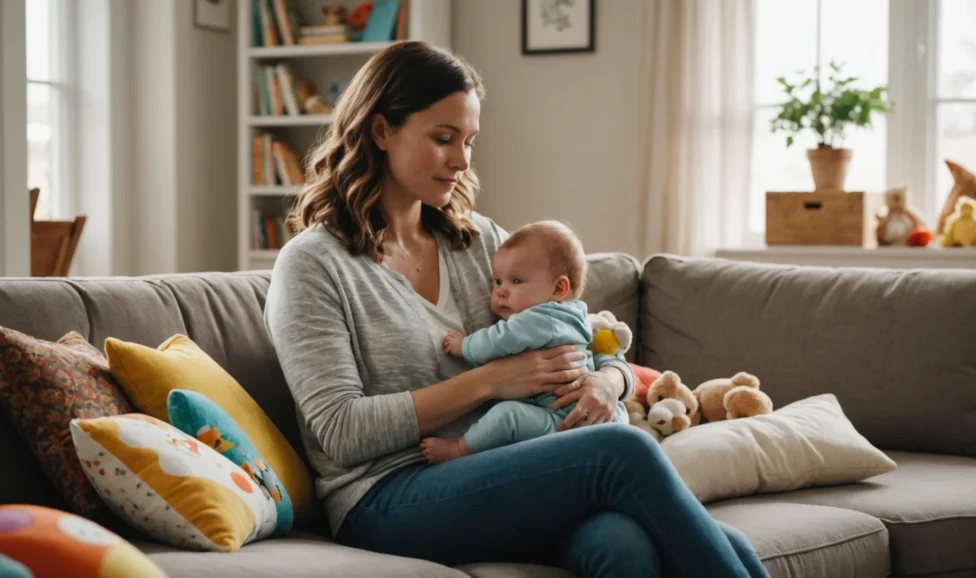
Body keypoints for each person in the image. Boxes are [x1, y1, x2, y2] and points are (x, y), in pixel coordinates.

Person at [263, 40, 770, 578]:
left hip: (505, 469)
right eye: (443, 139)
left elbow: (584, 334)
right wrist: (490, 381)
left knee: (623, 546)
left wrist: (610, 384)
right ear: (382, 130)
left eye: (469, 141)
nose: (461, 160)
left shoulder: (478, 242)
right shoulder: (313, 265)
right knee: (621, 452)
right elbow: (340, 431)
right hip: (384, 496)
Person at [421, 220, 629, 464]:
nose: (500, 291)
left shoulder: (539, 319)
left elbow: (499, 339)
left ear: (558, 288)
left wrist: (464, 345)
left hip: (560, 420)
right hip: (584, 417)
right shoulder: (574, 317)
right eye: (497, 282)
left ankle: (458, 448)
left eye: (516, 281)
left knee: (507, 416)